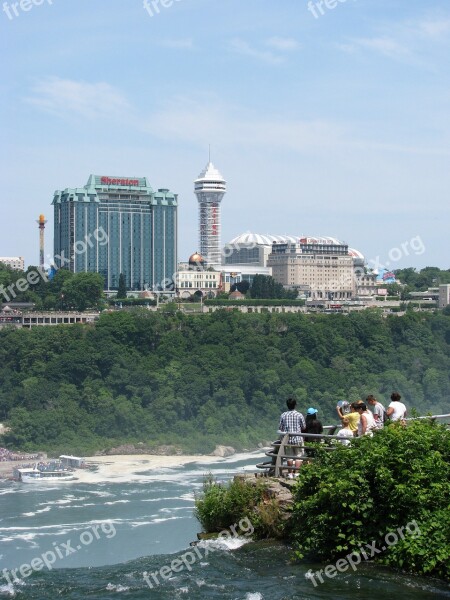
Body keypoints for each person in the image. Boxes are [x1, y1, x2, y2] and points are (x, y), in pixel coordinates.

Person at [278, 398, 306, 479]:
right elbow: (303, 427)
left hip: (287, 439)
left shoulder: (283, 415)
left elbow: (280, 428)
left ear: (287, 405)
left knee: (289, 456)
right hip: (298, 439)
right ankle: (296, 473)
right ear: (295, 405)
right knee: (299, 456)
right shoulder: (299, 415)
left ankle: (290, 474)